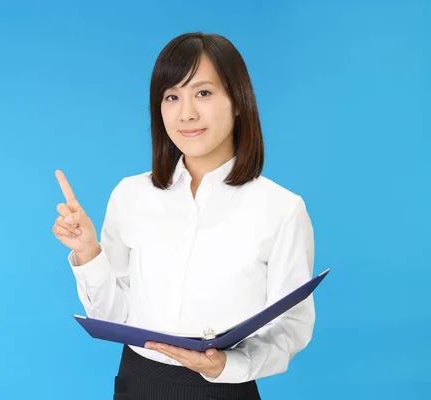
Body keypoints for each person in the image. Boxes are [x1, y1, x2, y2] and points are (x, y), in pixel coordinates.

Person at [52, 32, 316, 400]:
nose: (186, 113)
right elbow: (113, 318)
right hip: (138, 382)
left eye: (203, 93)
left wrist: (227, 366)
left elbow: (292, 328)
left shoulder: (281, 209)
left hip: (224, 390)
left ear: (238, 101)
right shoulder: (131, 194)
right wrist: (87, 252)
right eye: (172, 96)